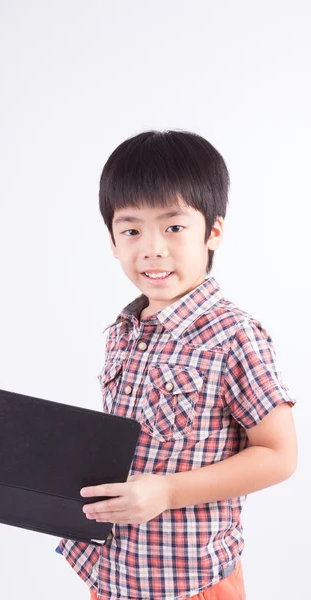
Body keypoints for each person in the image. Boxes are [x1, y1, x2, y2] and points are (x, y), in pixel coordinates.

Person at [55, 129, 298, 599]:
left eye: (173, 227)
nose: (152, 248)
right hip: (113, 573)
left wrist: (166, 492)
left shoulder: (235, 335)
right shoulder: (123, 331)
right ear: (112, 240)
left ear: (213, 232)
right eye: (131, 230)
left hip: (190, 581)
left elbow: (279, 454)